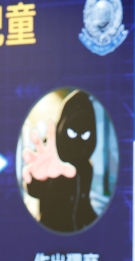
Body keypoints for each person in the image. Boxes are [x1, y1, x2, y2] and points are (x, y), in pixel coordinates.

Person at [22, 90, 98, 233]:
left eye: (86, 134)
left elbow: (83, 206)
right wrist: (38, 177)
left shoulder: (86, 167)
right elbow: (35, 190)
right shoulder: (52, 159)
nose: (78, 140)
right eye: (72, 132)